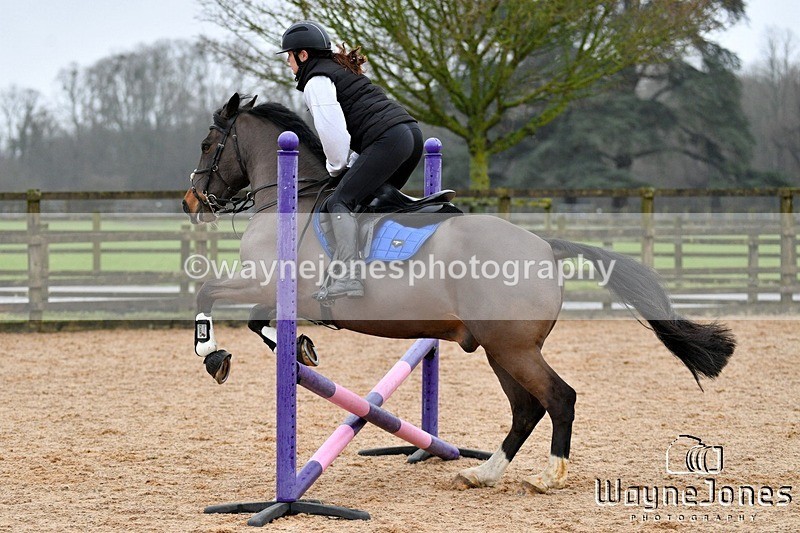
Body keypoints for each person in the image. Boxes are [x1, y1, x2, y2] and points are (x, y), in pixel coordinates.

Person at [279, 20, 423, 301]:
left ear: (303, 55)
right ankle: (386, 272)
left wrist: (335, 168)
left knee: (338, 202)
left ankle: (347, 276)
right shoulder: (339, 70)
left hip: (388, 139)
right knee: (369, 200)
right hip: (410, 136)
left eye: (289, 55)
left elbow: (334, 135)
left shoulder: (316, 80)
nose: (287, 62)